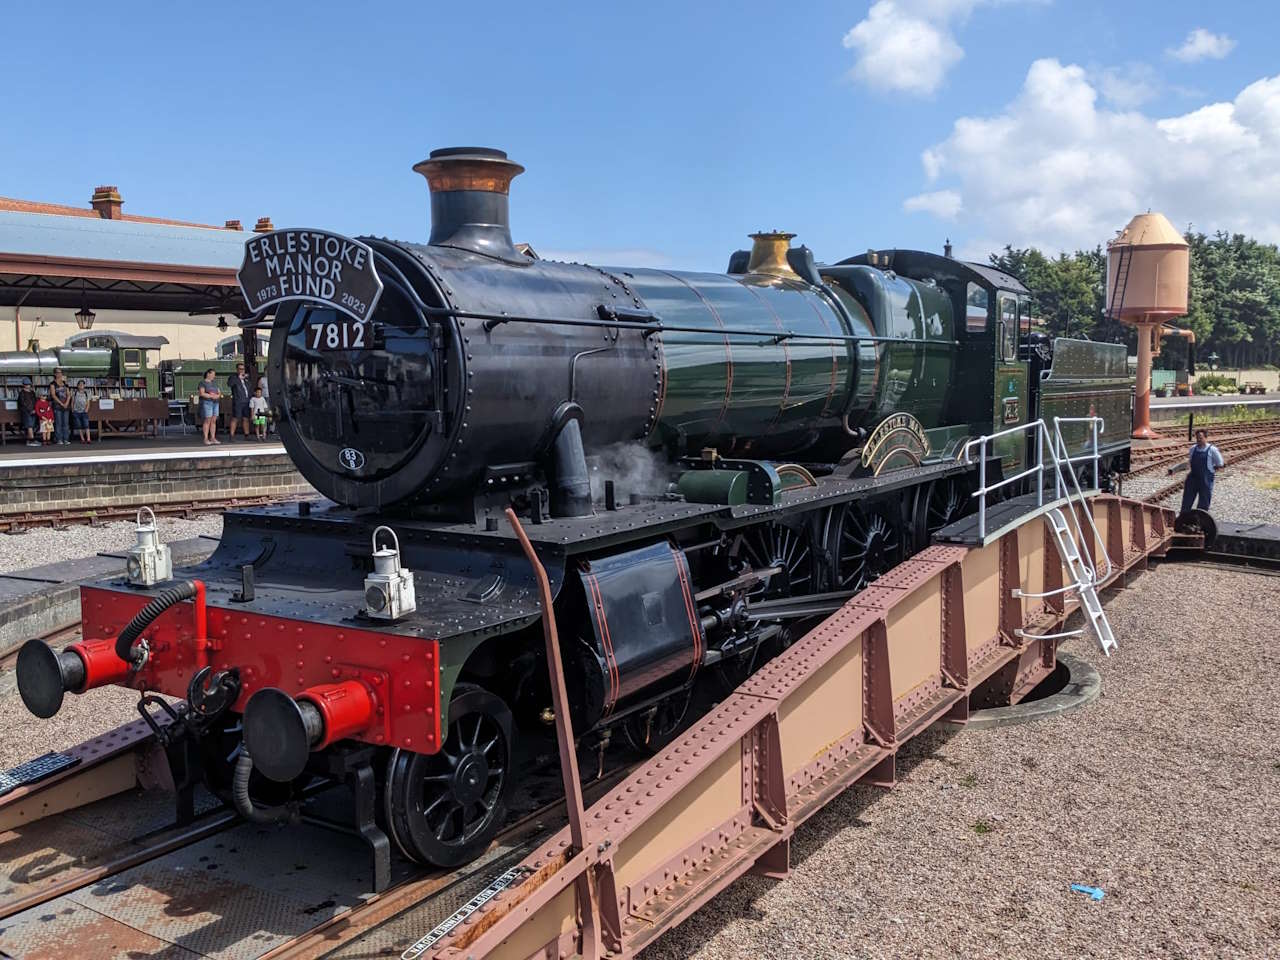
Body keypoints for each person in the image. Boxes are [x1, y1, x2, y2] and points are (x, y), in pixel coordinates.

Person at [1180, 428, 1225, 513]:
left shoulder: (1212, 450)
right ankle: (1184, 520)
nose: (1198, 440)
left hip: (1205, 480)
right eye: (1197, 438)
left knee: (1203, 504)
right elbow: (1191, 461)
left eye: (1201, 438)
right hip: (1192, 479)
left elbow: (1220, 463)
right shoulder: (1193, 449)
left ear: (1205, 438)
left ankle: (1200, 521)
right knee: (1187, 501)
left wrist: (1211, 469)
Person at [228, 363, 252, 440]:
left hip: (247, 400)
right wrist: (239, 378)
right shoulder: (233, 377)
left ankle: (247, 435)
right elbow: (230, 384)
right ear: (237, 369)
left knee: (246, 418)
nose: (242, 371)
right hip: (238, 401)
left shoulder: (246, 379)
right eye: (240, 369)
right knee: (235, 418)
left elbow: (250, 388)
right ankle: (231, 435)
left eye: (243, 369)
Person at [198, 368, 222, 445]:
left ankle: (213, 437)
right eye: (213, 374)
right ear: (208, 374)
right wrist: (211, 396)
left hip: (215, 403)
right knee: (207, 420)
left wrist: (217, 396)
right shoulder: (202, 383)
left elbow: (219, 392)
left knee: (214, 420)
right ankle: (205, 438)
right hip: (207, 402)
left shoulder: (215, 383)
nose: (214, 376)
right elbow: (201, 393)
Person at [49, 367, 72, 446]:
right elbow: (53, 395)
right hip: (57, 406)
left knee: (66, 423)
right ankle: (59, 439)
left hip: (66, 406)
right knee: (58, 423)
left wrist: (66, 403)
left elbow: (69, 394)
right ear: (55, 374)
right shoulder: (53, 384)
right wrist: (61, 404)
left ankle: (66, 439)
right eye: (58, 373)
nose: (59, 374)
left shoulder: (65, 383)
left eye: (60, 372)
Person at [18, 379, 38, 447]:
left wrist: (35, 409)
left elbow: (35, 401)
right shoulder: (21, 393)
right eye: (26, 384)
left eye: (29, 384)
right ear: (23, 385)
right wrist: (30, 410)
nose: (28, 386)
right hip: (26, 412)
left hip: (33, 411)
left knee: (33, 425)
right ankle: (32, 440)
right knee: (29, 425)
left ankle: (29, 440)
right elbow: (23, 403)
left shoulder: (32, 392)